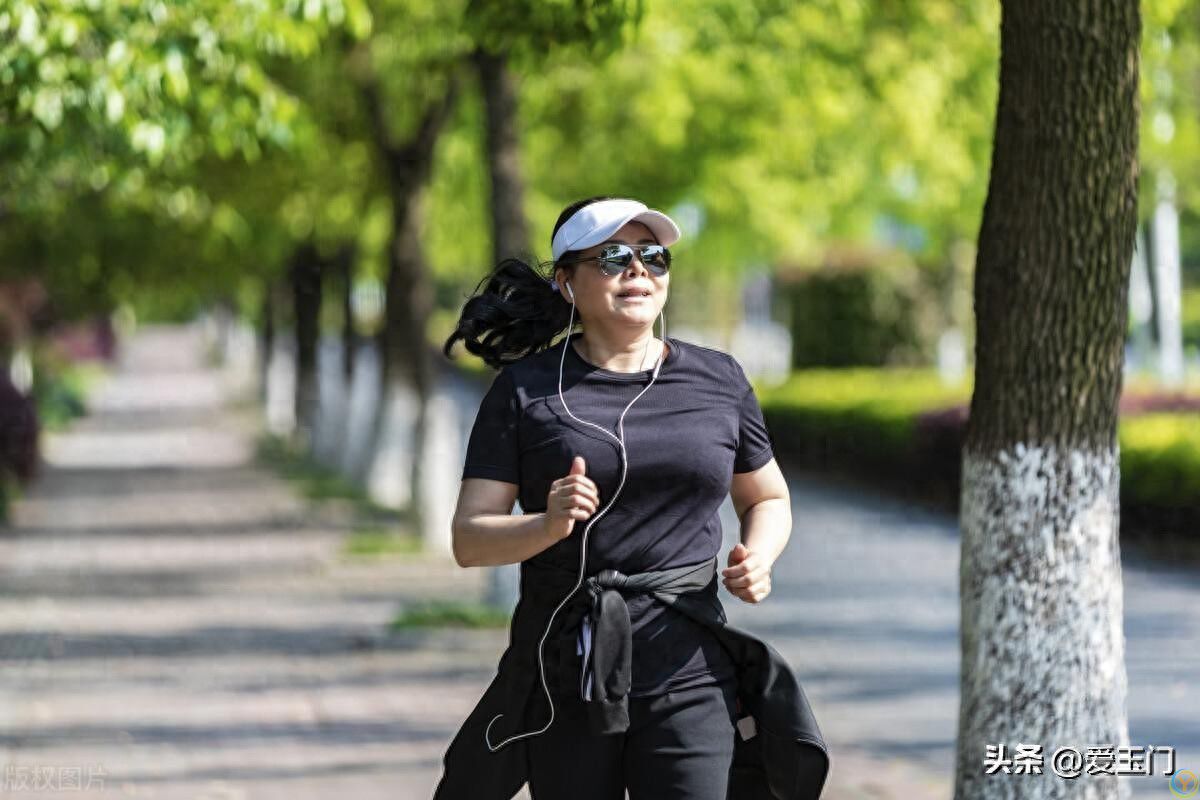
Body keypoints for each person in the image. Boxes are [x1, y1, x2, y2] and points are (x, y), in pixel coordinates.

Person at [434, 196, 828, 800]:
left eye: (654, 257)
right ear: (567, 282)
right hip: (567, 673)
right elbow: (469, 539)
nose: (638, 271)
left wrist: (760, 555)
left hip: (690, 669)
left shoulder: (718, 379)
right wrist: (547, 524)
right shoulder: (525, 392)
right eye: (614, 257)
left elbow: (767, 497)